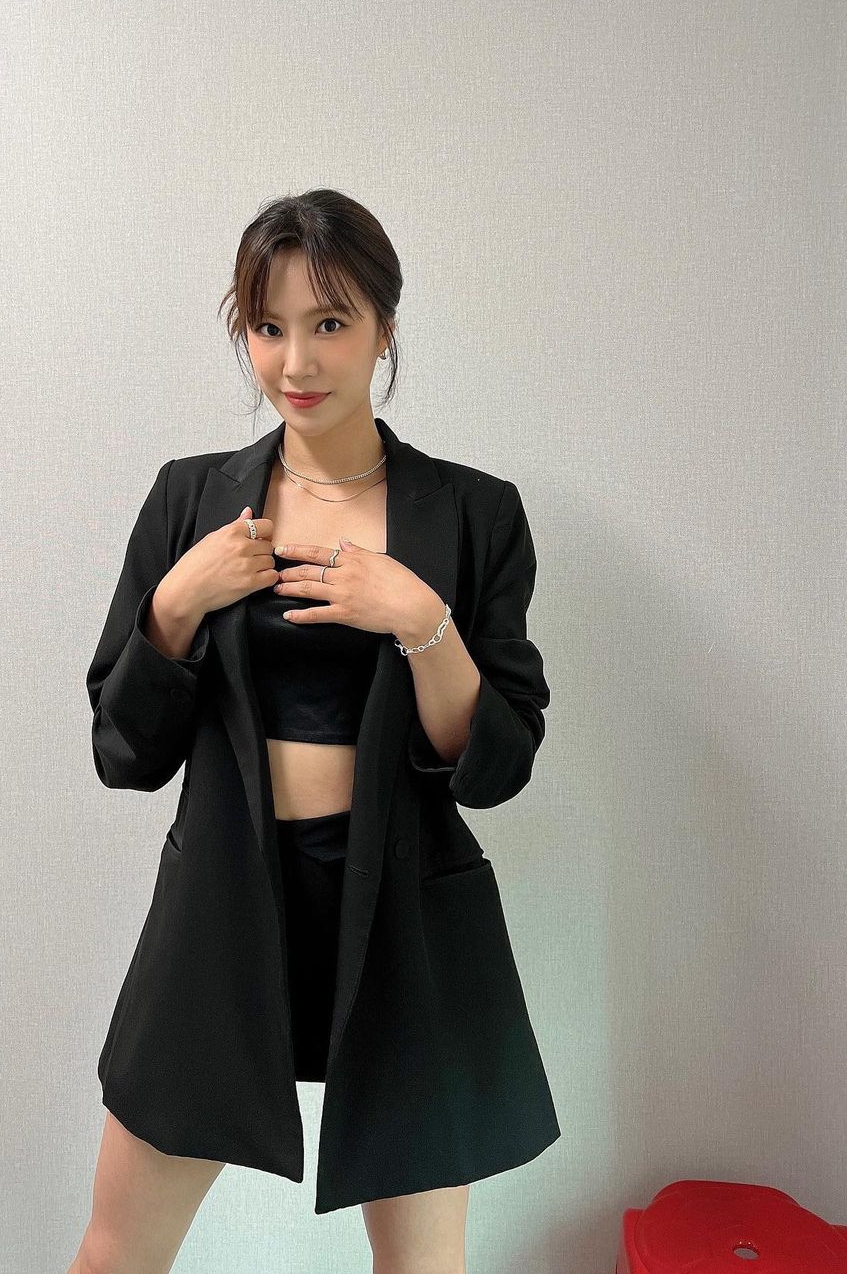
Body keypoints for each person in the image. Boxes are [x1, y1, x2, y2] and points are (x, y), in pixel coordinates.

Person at [69, 189, 557, 1274]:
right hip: (221, 907)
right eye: (268, 325)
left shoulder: (475, 513)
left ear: (385, 327)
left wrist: (423, 622)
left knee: (422, 1268)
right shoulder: (190, 500)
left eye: (329, 322)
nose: (295, 361)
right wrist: (175, 605)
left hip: (405, 916)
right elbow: (122, 750)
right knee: (116, 1255)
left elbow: (497, 767)